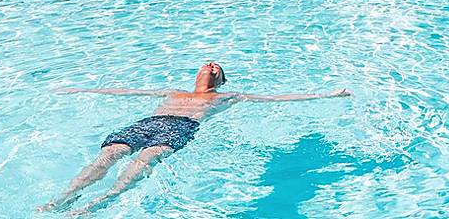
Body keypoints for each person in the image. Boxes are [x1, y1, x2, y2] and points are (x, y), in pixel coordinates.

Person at [38, 63, 350, 215]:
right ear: (198, 73)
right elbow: (123, 91)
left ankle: (97, 204)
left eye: (217, 68)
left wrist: (327, 94)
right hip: (149, 122)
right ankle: (65, 198)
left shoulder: (229, 96)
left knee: (142, 163)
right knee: (108, 156)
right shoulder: (173, 92)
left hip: (181, 127)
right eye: (207, 63)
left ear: (220, 80)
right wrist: (78, 89)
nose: (211, 66)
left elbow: (277, 99)